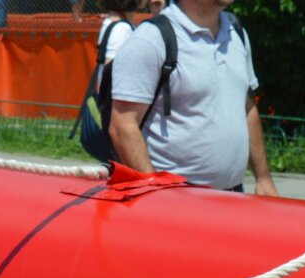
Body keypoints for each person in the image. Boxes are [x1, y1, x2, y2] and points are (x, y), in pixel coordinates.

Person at [108, 0, 278, 195]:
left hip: (234, 194)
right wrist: (154, 192)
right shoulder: (150, 39)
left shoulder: (237, 32)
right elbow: (122, 126)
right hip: (177, 198)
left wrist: (263, 178)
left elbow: (247, 107)